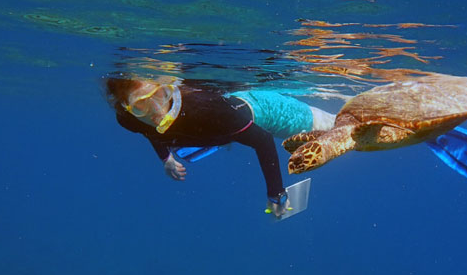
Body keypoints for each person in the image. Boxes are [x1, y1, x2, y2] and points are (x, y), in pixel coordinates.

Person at [104, 76, 334, 217]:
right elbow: (151, 132)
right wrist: (166, 159)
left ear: (167, 89)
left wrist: (276, 194)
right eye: (141, 105)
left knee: (335, 128)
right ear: (125, 108)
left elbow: (262, 140)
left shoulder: (206, 111)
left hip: (264, 111)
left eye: (160, 95)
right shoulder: (128, 119)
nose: (157, 111)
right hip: (224, 124)